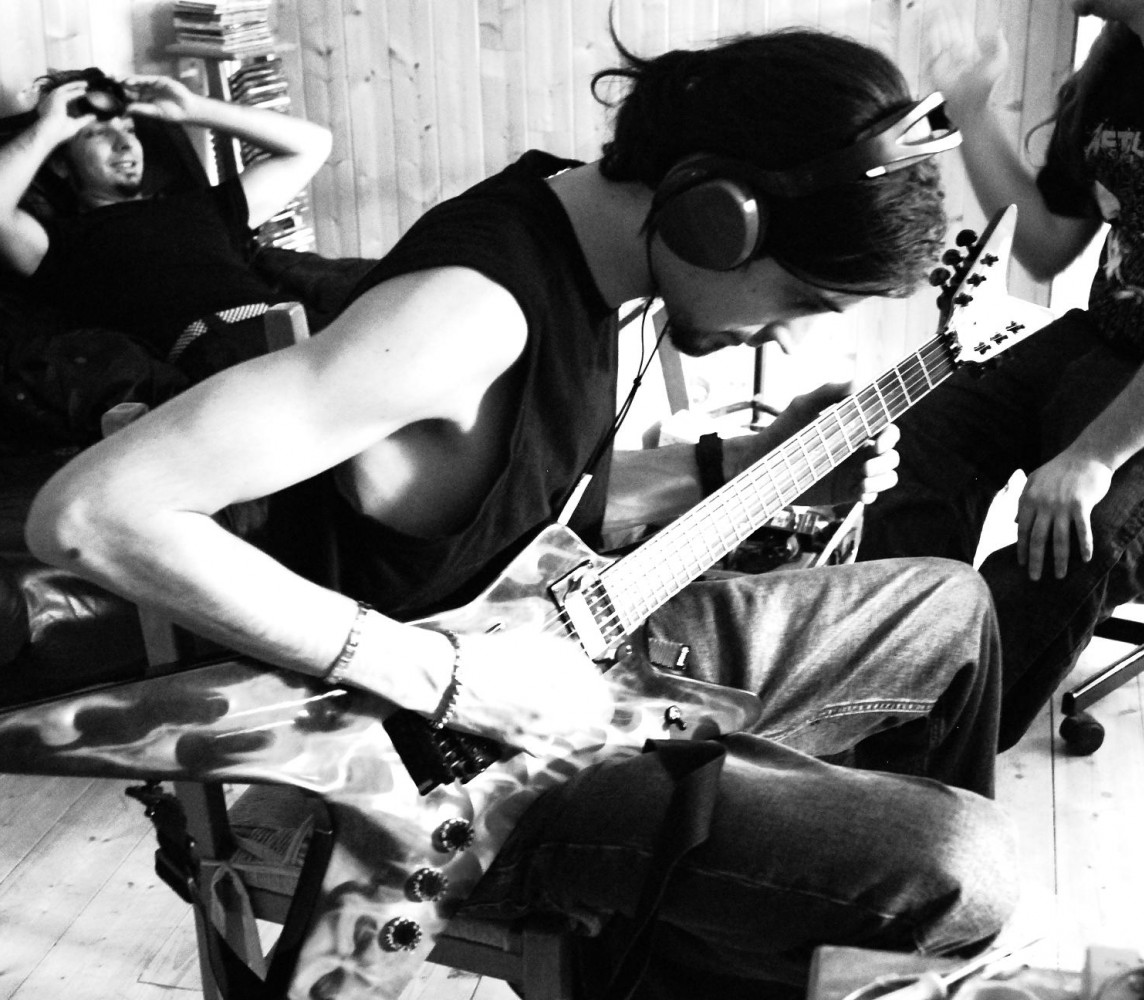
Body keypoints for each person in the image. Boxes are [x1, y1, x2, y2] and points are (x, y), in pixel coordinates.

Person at [24, 28, 1017, 1000]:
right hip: (452, 764)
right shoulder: (462, 318)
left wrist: (751, 461)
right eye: (798, 299)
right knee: (956, 864)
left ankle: (769, 905)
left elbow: (524, 500)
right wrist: (448, 677)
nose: (783, 333)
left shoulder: (588, 255)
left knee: (952, 606)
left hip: (569, 643)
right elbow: (93, 513)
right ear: (717, 217)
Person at [857, 0, 1144, 751]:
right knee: (918, 442)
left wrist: (1093, 455)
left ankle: (913, 766)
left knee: (1078, 536)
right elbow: (1044, 243)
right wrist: (971, 110)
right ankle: (872, 694)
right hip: (1110, 338)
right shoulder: (1118, 65)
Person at [0, 68, 331, 381]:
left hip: (304, 330)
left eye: (130, 130)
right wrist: (46, 130)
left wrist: (193, 108)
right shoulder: (59, 242)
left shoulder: (202, 206)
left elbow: (313, 145)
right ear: (60, 164)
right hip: (219, 357)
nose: (124, 143)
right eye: (98, 133)